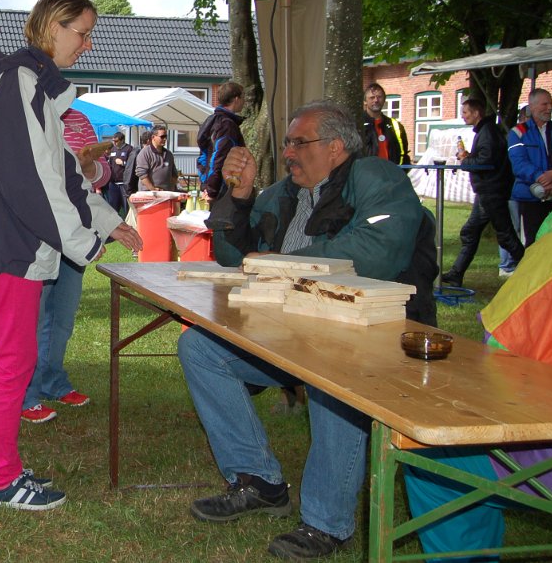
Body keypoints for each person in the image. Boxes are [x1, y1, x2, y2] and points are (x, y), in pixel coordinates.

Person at [181, 101, 436, 560]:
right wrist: (237, 200)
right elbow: (231, 256)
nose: (289, 152)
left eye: (300, 142)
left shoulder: (379, 180)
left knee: (329, 376)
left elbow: (378, 253)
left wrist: (277, 264)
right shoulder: (283, 193)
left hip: (370, 333)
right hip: (290, 328)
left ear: (336, 147)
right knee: (201, 348)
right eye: (288, 142)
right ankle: (258, 481)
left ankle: (327, 523)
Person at [0, 0, 143, 510]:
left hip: (12, 242)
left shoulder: (34, 86)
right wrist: (86, 243)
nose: (87, 44)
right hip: (9, 244)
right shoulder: (20, 82)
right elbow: (34, 182)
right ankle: (0, 479)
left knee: (12, 358)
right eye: (81, 32)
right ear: (51, 26)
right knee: (12, 361)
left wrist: (106, 220)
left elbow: (62, 171)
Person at [21, 99, 112, 424]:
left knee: (62, 317)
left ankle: (52, 381)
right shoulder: (27, 113)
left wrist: (91, 167)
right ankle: (26, 394)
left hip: (77, 232)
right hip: (42, 231)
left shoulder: (79, 119)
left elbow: (100, 177)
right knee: (32, 317)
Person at [441, 98, 524, 287]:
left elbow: (486, 162)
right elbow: (485, 157)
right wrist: (470, 156)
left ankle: (531, 267)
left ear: (477, 113)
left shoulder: (488, 132)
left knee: (505, 234)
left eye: (465, 112)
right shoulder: (486, 131)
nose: (463, 116)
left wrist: (466, 161)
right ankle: (456, 274)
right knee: (470, 231)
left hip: (491, 191)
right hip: (487, 191)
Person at [507, 87, 552, 246]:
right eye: (544, 104)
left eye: (551, 104)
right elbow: (519, 164)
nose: (549, 108)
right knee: (534, 241)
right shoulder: (518, 132)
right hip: (531, 197)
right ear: (532, 107)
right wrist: (541, 177)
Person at [196, 81, 245, 198]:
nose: (245, 102)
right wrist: (212, 190)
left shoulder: (211, 120)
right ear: (236, 99)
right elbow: (219, 158)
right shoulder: (227, 125)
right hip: (222, 188)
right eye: (243, 97)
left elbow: (202, 156)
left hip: (212, 184)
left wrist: (205, 183)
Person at [359, 82, 410, 165]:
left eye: (379, 97)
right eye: (372, 97)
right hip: (367, 175)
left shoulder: (395, 126)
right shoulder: (357, 124)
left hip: (391, 174)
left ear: (384, 100)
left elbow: (403, 153)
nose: (376, 100)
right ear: (365, 101)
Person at [135, 124, 178, 191]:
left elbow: (174, 174)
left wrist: (170, 189)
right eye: (162, 136)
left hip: (165, 194)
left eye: (166, 136)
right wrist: (152, 189)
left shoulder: (169, 154)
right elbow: (142, 175)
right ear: (153, 137)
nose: (165, 139)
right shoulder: (144, 153)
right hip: (148, 194)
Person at [103, 131, 133, 215]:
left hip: (124, 184)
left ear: (122, 140)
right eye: (113, 141)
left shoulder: (129, 149)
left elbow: (133, 166)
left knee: (126, 208)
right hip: (113, 184)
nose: (114, 143)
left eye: (116, 141)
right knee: (113, 208)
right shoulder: (112, 150)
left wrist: (123, 163)